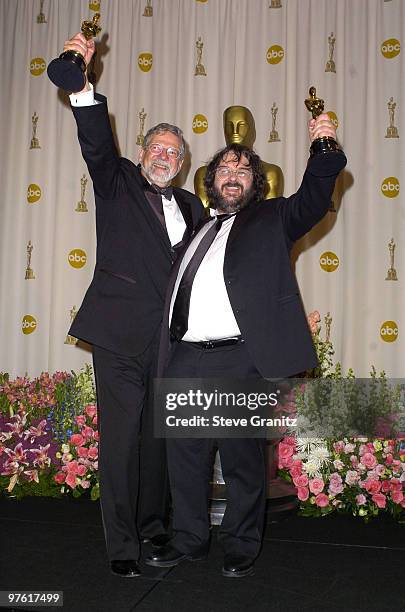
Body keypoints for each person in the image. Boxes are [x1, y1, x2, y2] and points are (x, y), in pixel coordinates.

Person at [146, 114, 346, 577]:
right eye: (224, 170)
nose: (232, 177)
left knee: (242, 459)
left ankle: (241, 542)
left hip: (240, 356)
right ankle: (190, 540)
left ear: (255, 183)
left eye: (243, 171)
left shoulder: (273, 219)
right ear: (210, 180)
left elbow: (315, 198)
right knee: (185, 458)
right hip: (185, 356)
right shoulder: (196, 230)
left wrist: (323, 147)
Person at [59, 32, 204, 578]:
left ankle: (154, 530)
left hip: (169, 345)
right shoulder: (115, 179)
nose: (165, 157)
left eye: (175, 152)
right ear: (142, 154)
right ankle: (122, 546)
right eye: (157, 149)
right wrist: (82, 84)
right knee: (120, 446)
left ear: (182, 163)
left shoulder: (192, 205)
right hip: (118, 337)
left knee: (157, 444)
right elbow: (95, 137)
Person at [194, 105, 284, 207]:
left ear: (252, 131)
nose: (235, 131)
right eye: (229, 126)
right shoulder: (203, 173)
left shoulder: (270, 172)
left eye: (241, 125)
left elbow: (271, 214)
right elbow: (204, 215)